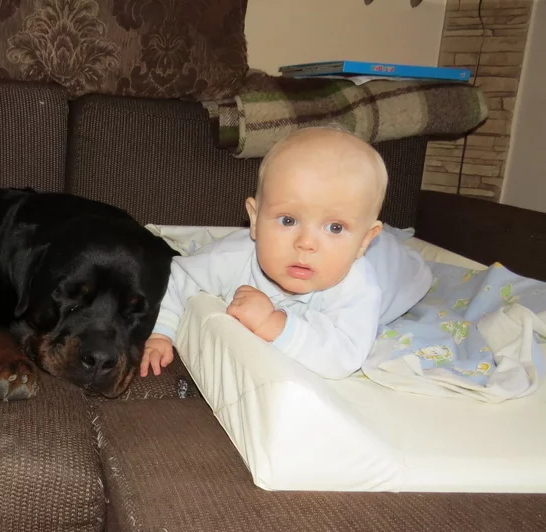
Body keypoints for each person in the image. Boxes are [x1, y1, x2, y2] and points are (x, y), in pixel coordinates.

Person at [140, 126, 432, 381]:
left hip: (398, 271)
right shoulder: (232, 256)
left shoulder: (359, 286)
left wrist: (274, 323)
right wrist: (161, 332)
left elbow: (343, 356)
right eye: (288, 220)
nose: (306, 243)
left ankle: (391, 241)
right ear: (255, 220)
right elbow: (177, 277)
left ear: (364, 241)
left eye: (335, 227)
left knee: (413, 265)